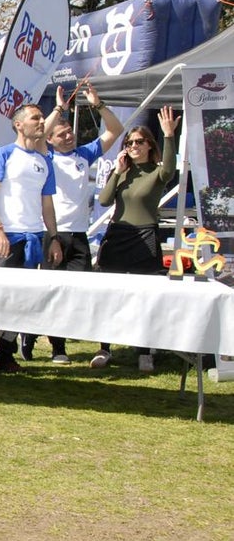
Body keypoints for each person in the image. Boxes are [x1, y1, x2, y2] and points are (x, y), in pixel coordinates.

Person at [21, 83, 123, 364]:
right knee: (52, 292)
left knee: (76, 292)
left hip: (79, 235)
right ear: (50, 140)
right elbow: (40, 132)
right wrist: (58, 109)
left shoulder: (84, 154)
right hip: (53, 234)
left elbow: (115, 131)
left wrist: (98, 104)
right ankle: (54, 347)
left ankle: (65, 340)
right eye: (62, 134)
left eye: (70, 132)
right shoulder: (47, 157)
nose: (68, 136)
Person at [0, 103, 63, 375]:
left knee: (20, 301)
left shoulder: (44, 162)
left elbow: (47, 205)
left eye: (42, 117)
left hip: (34, 238)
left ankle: (6, 354)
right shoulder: (3, 155)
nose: (42, 121)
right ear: (19, 124)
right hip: (6, 237)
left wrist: (53, 238)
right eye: (36, 117)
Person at [89, 105, 180, 372]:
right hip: (117, 235)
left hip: (145, 236)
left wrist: (169, 135)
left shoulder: (156, 171)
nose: (133, 146)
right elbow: (105, 200)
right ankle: (105, 348)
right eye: (129, 142)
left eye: (139, 142)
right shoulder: (124, 172)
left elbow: (170, 171)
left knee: (145, 296)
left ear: (150, 145)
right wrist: (117, 171)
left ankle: (144, 350)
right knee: (109, 295)